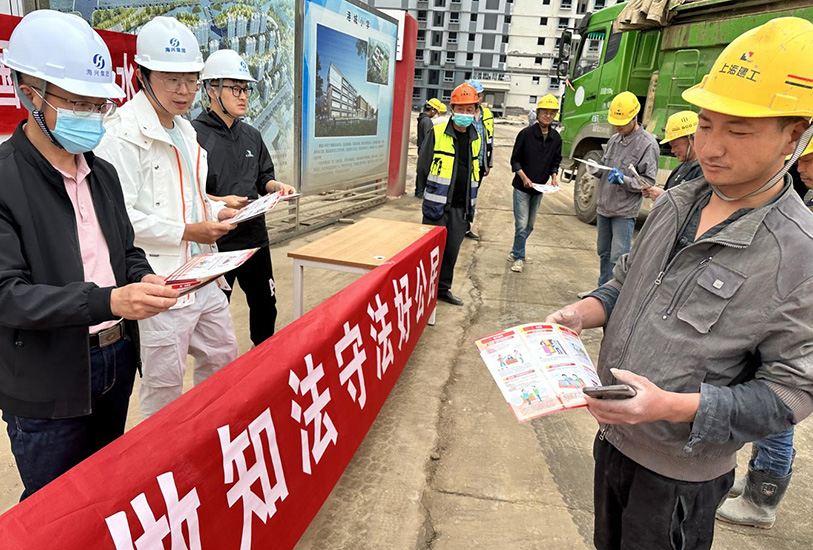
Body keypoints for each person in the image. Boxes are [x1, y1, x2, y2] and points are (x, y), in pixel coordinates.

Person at [545, 17, 813, 550]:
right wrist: (583, 312)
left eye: (738, 131)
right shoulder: (675, 203)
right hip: (612, 440)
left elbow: (791, 392)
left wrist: (670, 406)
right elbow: (626, 283)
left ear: (795, 134)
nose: (712, 147)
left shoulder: (797, 254)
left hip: (679, 479)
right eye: (707, 125)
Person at [0, 10, 179, 499]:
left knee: (105, 493)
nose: (92, 115)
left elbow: (126, 250)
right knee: (54, 506)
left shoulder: (102, 174)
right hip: (47, 377)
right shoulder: (6, 180)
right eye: (77, 103)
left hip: (115, 358)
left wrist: (142, 278)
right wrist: (108, 301)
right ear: (29, 94)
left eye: (99, 105)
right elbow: (9, 296)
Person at [96, 16, 240, 418]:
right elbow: (120, 218)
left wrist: (218, 209)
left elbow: (190, 197)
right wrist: (187, 230)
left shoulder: (185, 130)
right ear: (142, 76)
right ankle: (166, 452)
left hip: (202, 271)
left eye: (191, 80)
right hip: (159, 280)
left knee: (223, 355)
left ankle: (212, 430)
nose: (184, 91)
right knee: (164, 383)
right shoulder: (121, 135)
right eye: (171, 80)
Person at [715, 138, 813, 529]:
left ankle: (762, 500)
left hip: (798, 327)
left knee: (776, 411)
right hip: (786, 317)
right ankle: (758, 476)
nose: (800, 168)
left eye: (808, 161)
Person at [191, 50, 295, 347]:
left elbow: (263, 177)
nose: (244, 96)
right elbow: (187, 193)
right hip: (217, 243)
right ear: (212, 89)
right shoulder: (193, 136)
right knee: (214, 318)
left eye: (246, 89)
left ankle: (262, 364)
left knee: (265, 307)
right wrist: (220, 202)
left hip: (255, 239)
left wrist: (276, 187)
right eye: (235, 88)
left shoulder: (251, 135)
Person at [416, 83, 482, 306]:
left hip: (461, 208)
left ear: (476, 111)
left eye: (469, 109)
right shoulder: (437, 132)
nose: (465, 113)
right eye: (460, 109)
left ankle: (442, 290)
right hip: (437, 205)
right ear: (452, 109)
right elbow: (423, 167)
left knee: (451, 253)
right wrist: (429, 192)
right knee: (429, 254)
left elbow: (475, 170)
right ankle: (423, 294)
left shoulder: (475, 138)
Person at [594, 91, 659, 286]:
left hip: (623, 211)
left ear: (634, 117)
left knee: (619, 258)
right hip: (604, 206)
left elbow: (648, 182)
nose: (618, 126)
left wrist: (624, 180)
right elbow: (605, 168)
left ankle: (614, 295)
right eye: (615, 122)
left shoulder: (647, 144)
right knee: (603, 252)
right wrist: (595, 170)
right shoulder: (614, 140)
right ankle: (601, 291)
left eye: (622, 122)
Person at [508, 94, 562, 273]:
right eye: (545, 112)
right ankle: (519, 257)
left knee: (529, 225)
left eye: (551, 113)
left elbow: (555, 161)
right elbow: (515, 160)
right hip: (522, 187)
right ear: (538, 113)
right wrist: (524, 178)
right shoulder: (526, 134)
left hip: (539, 188)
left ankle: (515, 250)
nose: (548, 116)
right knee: (521, 224)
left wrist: (554, 177)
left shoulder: (556, 138)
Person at [644, 110, 703, 201]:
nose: (672, 151)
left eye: (675, 145)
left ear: (692, 139)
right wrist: (656, 193)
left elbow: (695, 204)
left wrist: (663, 196)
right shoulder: (680, 168)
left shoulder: (703, 173)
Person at [465, 80, 494, 241]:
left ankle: (466, 227)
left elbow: (490, 139)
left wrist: (489, 163)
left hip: (480, 163)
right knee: (461, 195)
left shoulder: (487, 114)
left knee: (472, 196)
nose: (478, 98)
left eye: (480, 95)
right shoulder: (463, 112)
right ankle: (458, 226)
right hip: (465, 162)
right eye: (475, 95)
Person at [414, 98, 442, 197]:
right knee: (424, 171)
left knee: (421, 170)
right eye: (436, 111)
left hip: (421, 147)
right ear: (432, 110)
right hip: (425, 149)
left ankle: (419, 190)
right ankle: (420, 192)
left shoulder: (422, 119)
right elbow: (428, 137)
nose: (435, 114)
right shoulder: (427, 121)